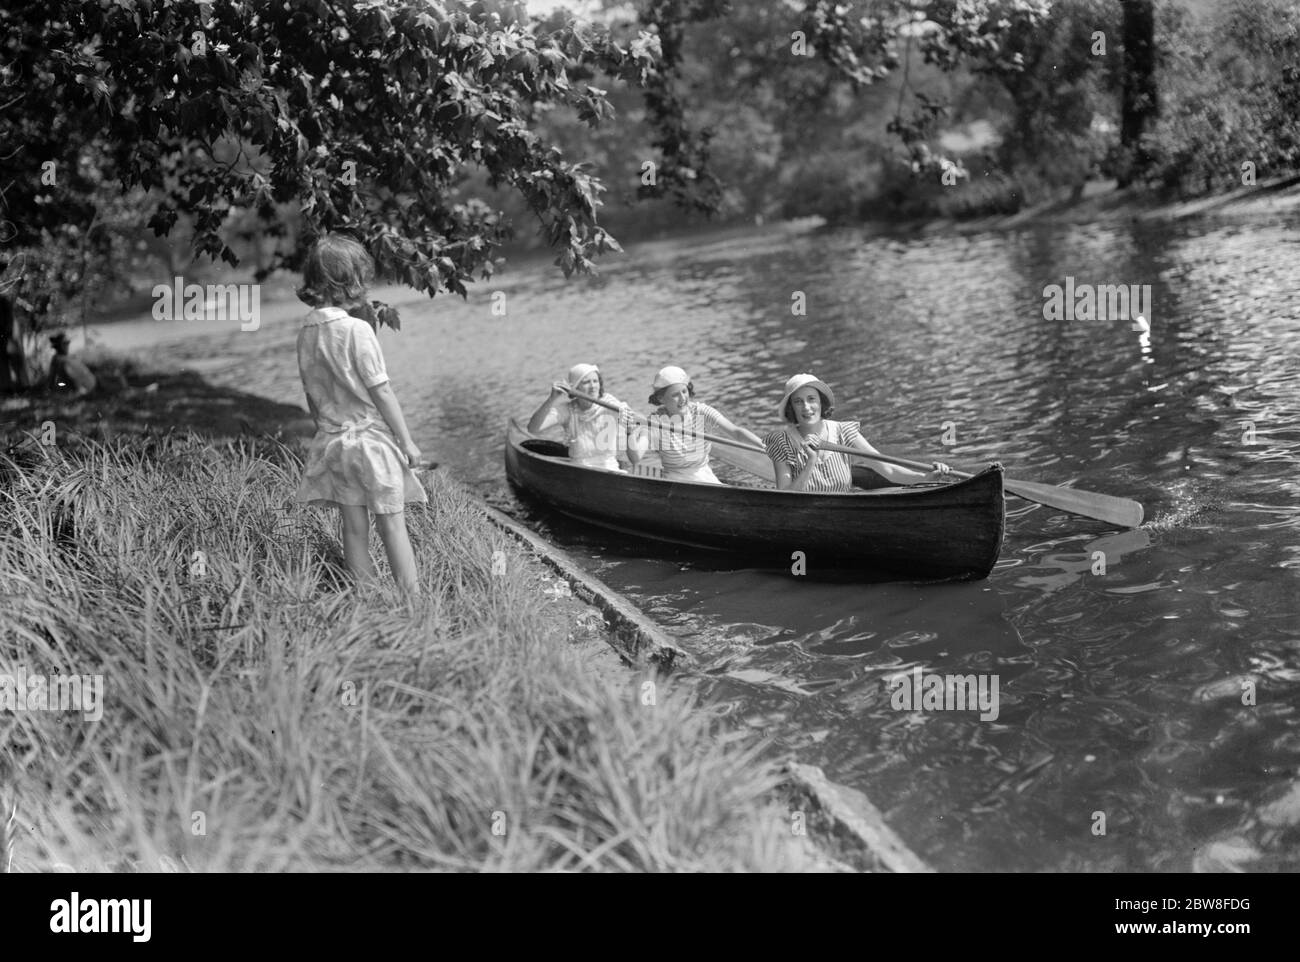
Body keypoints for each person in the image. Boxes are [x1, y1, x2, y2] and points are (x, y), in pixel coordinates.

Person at [293, 233, 427, 600]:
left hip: (333, 443)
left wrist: (324, 429)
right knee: (392, 525)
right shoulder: (357, 330)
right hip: (370, 444)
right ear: (351, 279)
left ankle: (367, 599)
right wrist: (407, 442)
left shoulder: (306, 332)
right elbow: (381, 390)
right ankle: (413, 605)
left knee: (352, 527)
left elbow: (311, 394)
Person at [765, 373, 951, 493]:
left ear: (821, 402)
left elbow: (888, 469)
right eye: (798, 401)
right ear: (792, 408)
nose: (806, 407)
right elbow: (785, 497)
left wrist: (926, 478)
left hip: (844, 512)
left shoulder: (844, 431)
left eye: (811, 399)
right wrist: (810, 462)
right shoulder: (781, 442)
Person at [627, 365, 762, 484]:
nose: (682, 398)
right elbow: (635, 457)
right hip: (676, 483)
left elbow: (736, 432)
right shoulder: (655, 422)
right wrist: (630, 431)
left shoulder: (701, 411)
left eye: (684, 392)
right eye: (675, 395)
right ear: (661, 398)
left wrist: (764, 446)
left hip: (706, 478)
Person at [527, 362, 631, 471]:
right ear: (576, 388)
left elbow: (628, 414)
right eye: (586, 382)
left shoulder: (609, 403)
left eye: (595, 381)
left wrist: (628, 416)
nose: (593, 387)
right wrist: (551, 399)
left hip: (610, 470)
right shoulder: (567, 410)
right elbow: (533, 428)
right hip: (580, 472)